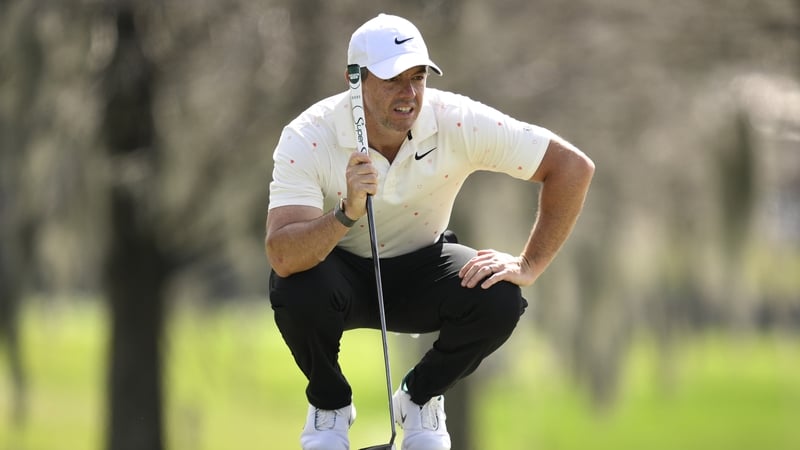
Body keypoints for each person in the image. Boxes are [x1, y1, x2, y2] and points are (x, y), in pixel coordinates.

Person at [265, 13, 594, 450]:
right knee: (295, 286)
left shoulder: (455, 119)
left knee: (499, 296)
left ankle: (419, 398)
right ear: (355, 79)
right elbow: (282, 254)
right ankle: (330, 407)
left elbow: (572, 167)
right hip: (337, 275)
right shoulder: (309, 135)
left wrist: (529, 264)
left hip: (424, 268)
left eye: (418, 77)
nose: (409, 93)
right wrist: (346, 213)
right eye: (393, 79)